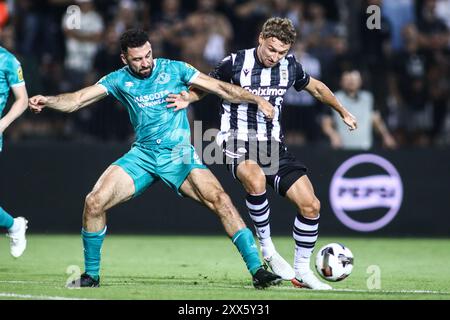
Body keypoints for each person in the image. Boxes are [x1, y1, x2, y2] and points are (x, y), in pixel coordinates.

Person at [28, 29, 281, 289]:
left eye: (148, 55)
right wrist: (48, 100)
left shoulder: (176, 69)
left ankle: (257, 270)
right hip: (143, 155)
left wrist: (257, 99)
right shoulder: (117, 80)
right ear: (124, 59)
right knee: (93, 202)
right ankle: (91, 275)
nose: (145, 62)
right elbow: (77, 100)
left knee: (221, 200)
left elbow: (219, 88)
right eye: (137, 59)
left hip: (178, 154)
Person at [167, 17, 357, 290]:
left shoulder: (290, 67)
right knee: (254, 180)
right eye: (271, 49)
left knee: (311, 205)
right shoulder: (234, 62)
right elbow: (209, 85)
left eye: (282, 52)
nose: (275, 56)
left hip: (272, 145)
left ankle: (302, 270)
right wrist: (189, 97)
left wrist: (342, 111)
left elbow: (316, 87)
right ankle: (267, 249)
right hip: (236, 140)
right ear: (261, 39)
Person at [0, 45, 29, 258]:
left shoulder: (8, 60)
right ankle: (14, 225)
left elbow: (22, 99)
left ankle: (14, 225)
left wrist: (2, 124)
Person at [321, 70, 396, 150]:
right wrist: (333, 135)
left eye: (354, 79)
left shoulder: (368, 98)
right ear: (341, 82)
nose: (351, 82)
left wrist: (386, 135)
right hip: (342, 148)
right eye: (348, 79)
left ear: (360, 81)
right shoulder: (333, 98)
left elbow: (377, 121)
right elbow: (326, 123)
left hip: (365, 147)